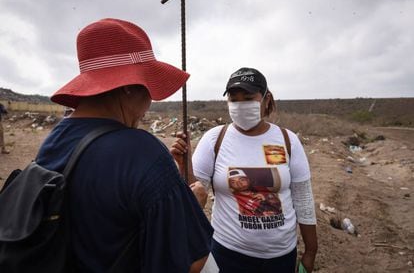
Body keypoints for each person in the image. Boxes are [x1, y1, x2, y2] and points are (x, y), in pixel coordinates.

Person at [36, 18, 213, 273]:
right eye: (148, 87)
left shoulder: (55, 141)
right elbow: (193, 262)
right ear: (129, 87)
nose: (149, 102)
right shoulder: (143, 153)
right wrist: (192, 206)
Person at [171, 67, 318, 273]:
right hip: (227, 254)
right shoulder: (214, 139)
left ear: (266, 99)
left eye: (248, 98)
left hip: (281, 258)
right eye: (234, 99)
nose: (240, 105)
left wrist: (311, 251)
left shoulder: (288, 140)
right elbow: (195, 194)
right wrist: (184, 167)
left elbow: (303, 198)